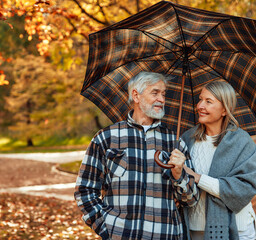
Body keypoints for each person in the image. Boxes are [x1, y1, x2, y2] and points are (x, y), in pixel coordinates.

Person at [74, 71, 199, 240]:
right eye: (155, 93)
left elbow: (191, 199)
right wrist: (106, 229)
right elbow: (85, 189)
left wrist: (179, 175)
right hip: (121, 235)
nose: (161, 99)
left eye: (163, 94)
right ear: (136, 95)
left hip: (165, 235)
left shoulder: (175, 142)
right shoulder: (107, 138)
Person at [180, 80, 256, 240]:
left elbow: (246, 187)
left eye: (208, 101)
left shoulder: (241, 142)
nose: (200, 106)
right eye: (200, 99)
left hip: (238, 229)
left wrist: (198, 178)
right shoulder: (187, 139)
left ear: (225, 109)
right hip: (193, 227)